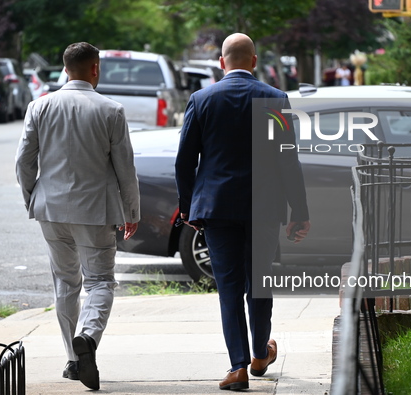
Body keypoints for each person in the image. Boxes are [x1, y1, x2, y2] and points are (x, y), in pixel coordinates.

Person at [175, 33, 310, 391]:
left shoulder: (201, 99)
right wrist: (299, 209)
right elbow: (288, 160)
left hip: (217, 207)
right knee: (260, 282)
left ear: (222, 62)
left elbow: (185, 161)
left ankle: (237, 368)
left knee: (229, 288)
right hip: (264, 207)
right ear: (253, 61)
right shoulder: (274, 98)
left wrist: (188, 207)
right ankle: (260, 354)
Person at [15, 42, 140, 391]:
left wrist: (32, 198)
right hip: (96, 211)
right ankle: (88, 336)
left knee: (65, 283)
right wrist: (132, 211)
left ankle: (73, 358)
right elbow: (125, 169)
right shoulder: (111, 110)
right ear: (95, 68)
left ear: (65, 69)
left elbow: (24, 161)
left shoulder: (39, 106)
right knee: (100, 281)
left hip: (50, 210)